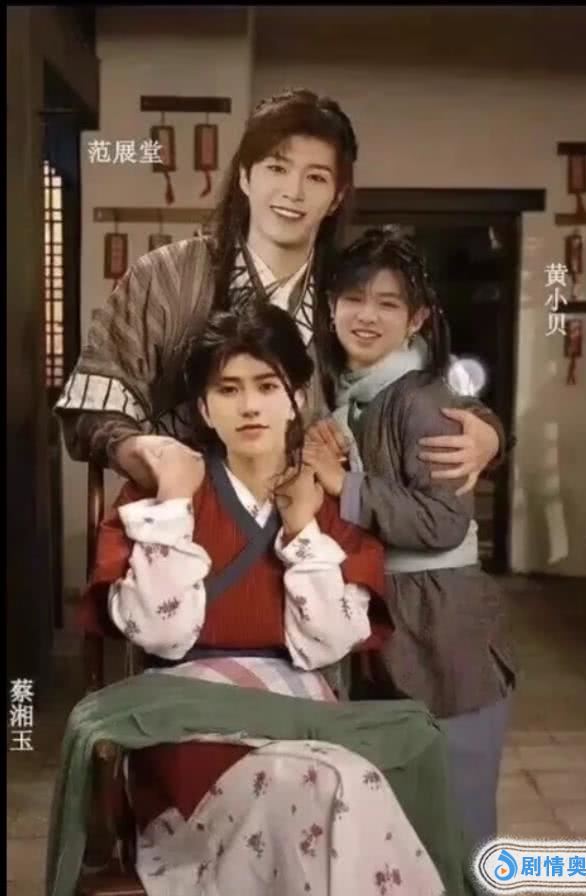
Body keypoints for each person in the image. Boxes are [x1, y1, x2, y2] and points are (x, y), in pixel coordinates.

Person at [76, 302, 473, 896]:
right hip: (190, 741)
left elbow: (329, 645)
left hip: (306, 727)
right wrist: (175, 501)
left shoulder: (330, 503)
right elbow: (162, 633)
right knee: (337, 789)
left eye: (266, 386)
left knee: (341, 785)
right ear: (204, 408)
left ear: (296, 398)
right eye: (228, 389)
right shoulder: (154, 497)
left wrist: (303, 529)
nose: (250, 406)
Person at [54, 88, 505, 494]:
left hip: (316, 522)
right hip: (186, 514)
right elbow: (94, 402)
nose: (293, 191)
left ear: (337, 197)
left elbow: (414, 382)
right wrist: (139, 449)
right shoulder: (166, 275)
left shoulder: (347, 294)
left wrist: (487, 433)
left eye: (316, 177)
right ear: (245, 176)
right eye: (277, 168)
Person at [303, 228, 517, 855]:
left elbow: (443, 522)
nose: (366, 316)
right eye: (353, 299)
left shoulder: (422, 399)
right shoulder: (354, 391)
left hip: (445, 640)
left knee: (457, 829)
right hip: (397, 629)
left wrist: (343, 485)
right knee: (400, 838)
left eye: (388, 303)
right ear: (332, 306)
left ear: (416, 318)